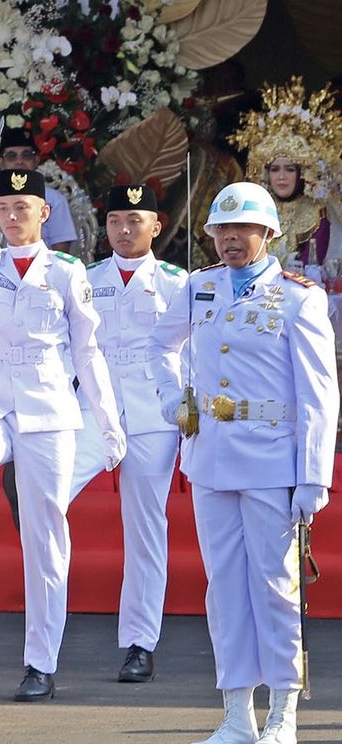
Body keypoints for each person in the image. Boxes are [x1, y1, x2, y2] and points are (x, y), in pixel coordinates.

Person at [149, 182, 338, 744]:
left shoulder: (298, 298)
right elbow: (159, 346)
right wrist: (173, 398)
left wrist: (313, 477)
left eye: (243, 229)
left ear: (268, 234)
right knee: (225, 587)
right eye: (222, 230)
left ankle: (283, 714)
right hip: (210, 457)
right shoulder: (198, 287)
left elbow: (319, 395)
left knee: (276, 587)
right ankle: (237, 713)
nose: (230, 239)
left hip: (272, 461)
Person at [0, 169, 126, 701]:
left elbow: (88, 352)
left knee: (46, 536)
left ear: (44, 213)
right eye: (4, 208)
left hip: (49, 409)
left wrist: (108, 421)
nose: (12, 217)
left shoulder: (68, 272)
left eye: (22, 208)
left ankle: (41, 662)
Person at [68, 185, 187, 683]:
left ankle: (140, 641)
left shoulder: (177, 282)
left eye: (135, 221)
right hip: (92, 411)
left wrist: (186, 411)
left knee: (145, 528)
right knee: (47, 497)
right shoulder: (86, 277)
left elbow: (192, 350)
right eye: (116, 220)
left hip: (150, 413)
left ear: (156, 226)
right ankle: (42, 637)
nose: (124, 229)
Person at [226, 76, 342, 270]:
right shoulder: (256, 211)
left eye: (289, 169)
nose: (281, 176)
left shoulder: (317, 214)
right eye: (275, 169)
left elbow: (313, 263)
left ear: (302, 173)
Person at [0, 127, 78, 252]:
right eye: (11, 156)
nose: (19, 161)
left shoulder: (54, 199)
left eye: (26, 155)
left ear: (36, 160)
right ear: (1, 162)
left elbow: (61, 250)